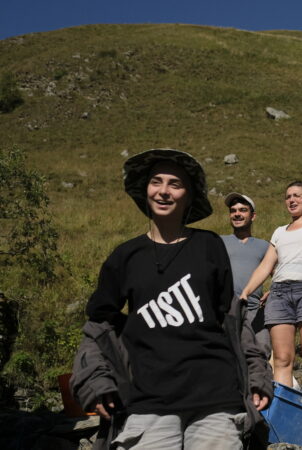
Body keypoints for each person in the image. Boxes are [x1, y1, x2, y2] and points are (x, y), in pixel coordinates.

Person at [70, 149, 272, 450]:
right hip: (147, 398)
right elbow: (98, 325)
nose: (164, 191)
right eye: (156, 182)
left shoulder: (209, 245)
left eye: (175, 184)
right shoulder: (125, 256)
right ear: (145, 190)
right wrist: (95, 382)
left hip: (215, 394)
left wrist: (257, 374)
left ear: (189, 197)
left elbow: (230, 320)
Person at [240, 181, 302, 399]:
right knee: (283, 358)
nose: (291, 200)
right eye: (288, 197)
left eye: (297, 196)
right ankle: (284, 407)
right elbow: (266, 265)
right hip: (279, 294)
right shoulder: (279, 232)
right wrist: (246, 291)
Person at [221, 192, 272, 357]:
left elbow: (280, 275)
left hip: (254, 311)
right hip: (224, 310)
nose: (237, 213)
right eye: (233, 210)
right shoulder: (218, 242)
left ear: (253, 216)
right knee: (225, 354)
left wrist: (272, 292)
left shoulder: (264, 246)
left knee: (261, 352)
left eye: (243, 210)